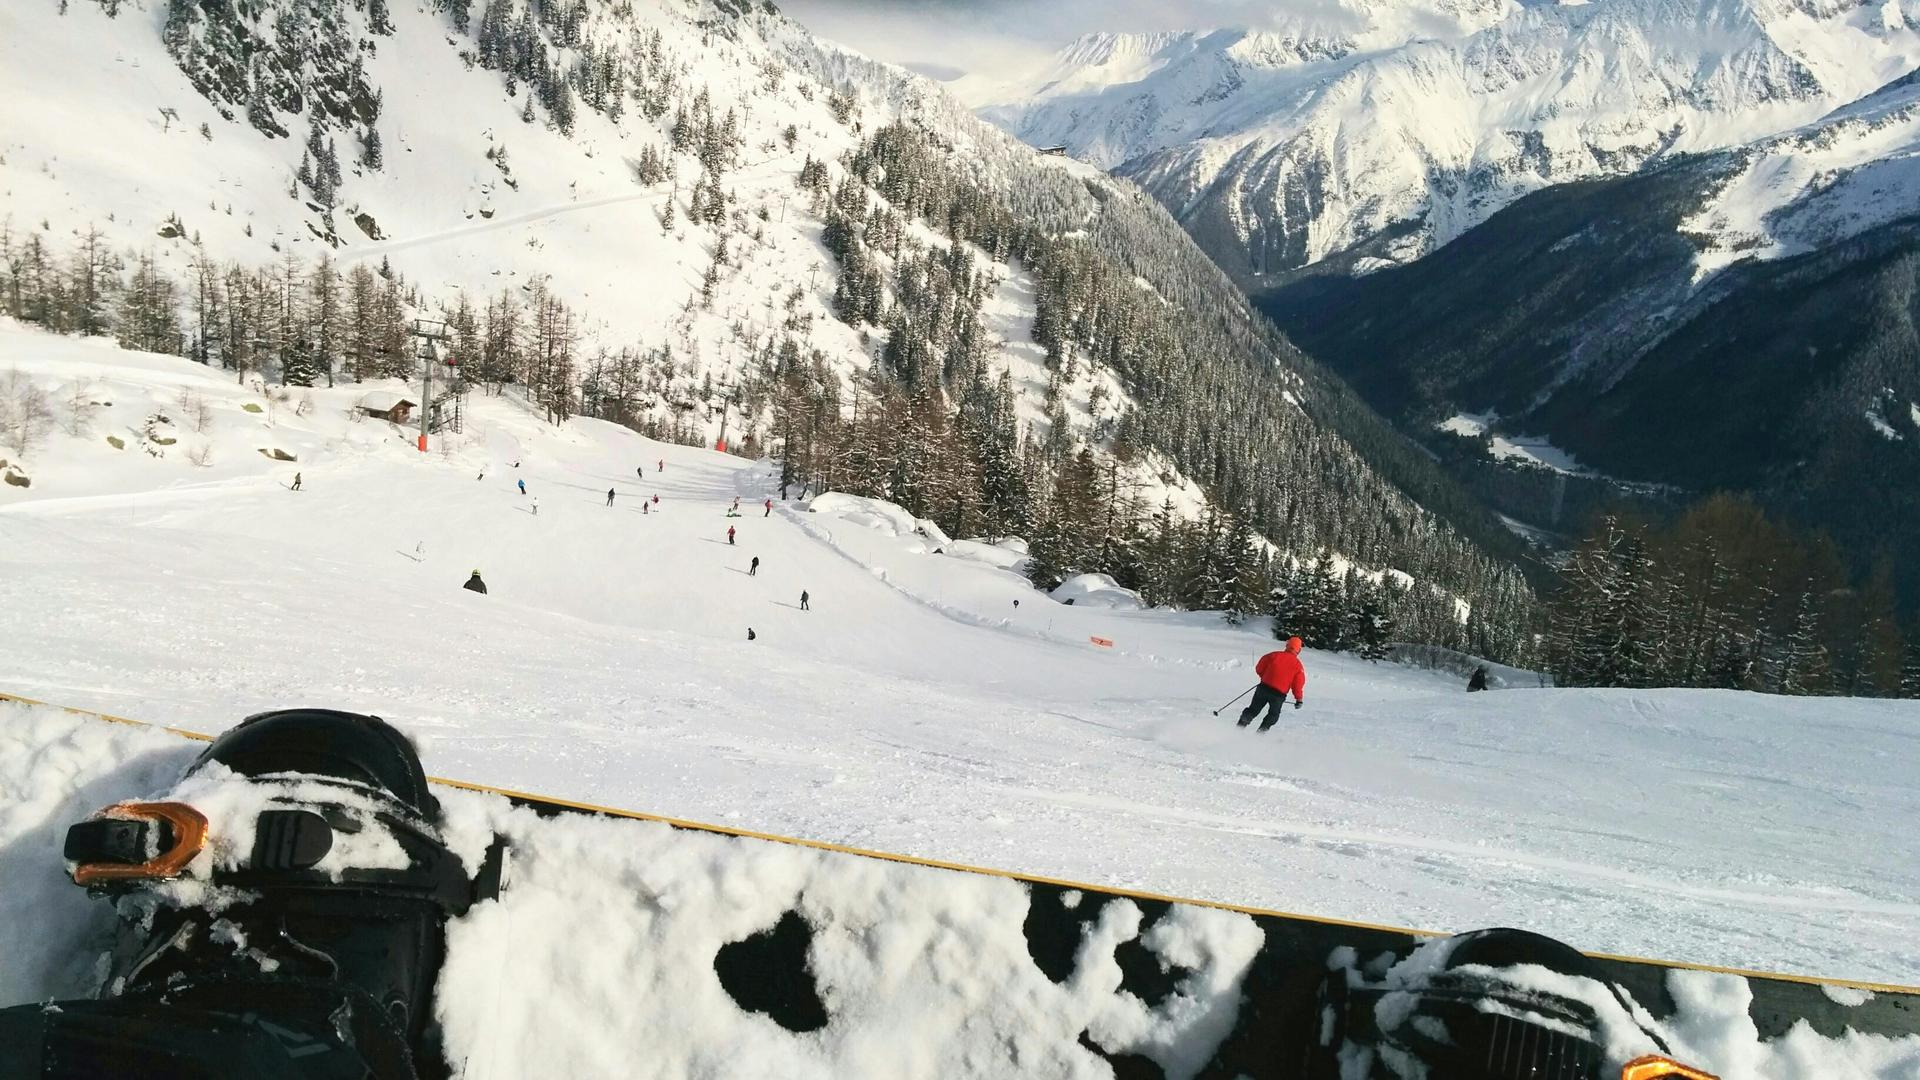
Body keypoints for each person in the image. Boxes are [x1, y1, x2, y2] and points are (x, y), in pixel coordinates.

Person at [1238, 637, 1306, 733]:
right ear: (1298, 650)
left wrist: (1265, 677)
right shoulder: (1298, 666)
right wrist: (1299, 699)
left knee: (1253, 710)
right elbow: (1298, 685)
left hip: (1263, 688)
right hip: (1278, 695)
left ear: (1287, 645)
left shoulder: (1273, 655)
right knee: (1273, 715)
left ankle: (1239, 728)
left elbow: (1259, 668)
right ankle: (1260, 734)